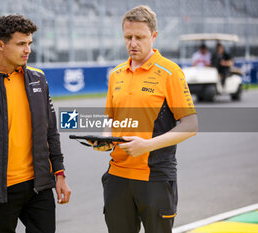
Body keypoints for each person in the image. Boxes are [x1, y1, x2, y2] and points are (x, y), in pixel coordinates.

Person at [0, 15, 71, 233]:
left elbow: (51, 132)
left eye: (29, 43)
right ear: (0, 45)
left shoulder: (38, 79)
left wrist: (60, 174)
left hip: (40, 185)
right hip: (1, 191)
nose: (27, 50)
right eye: (21, 44)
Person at [92, 6, 198, 233]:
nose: (133, 43)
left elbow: (190, 125)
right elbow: (109, 120)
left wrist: (147, 145)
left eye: (139, 37)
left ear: (154, 36)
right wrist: (103, 139)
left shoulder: (170, 72)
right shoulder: (116, 74)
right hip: (117, 176)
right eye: (128, 37)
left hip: (155, 177)